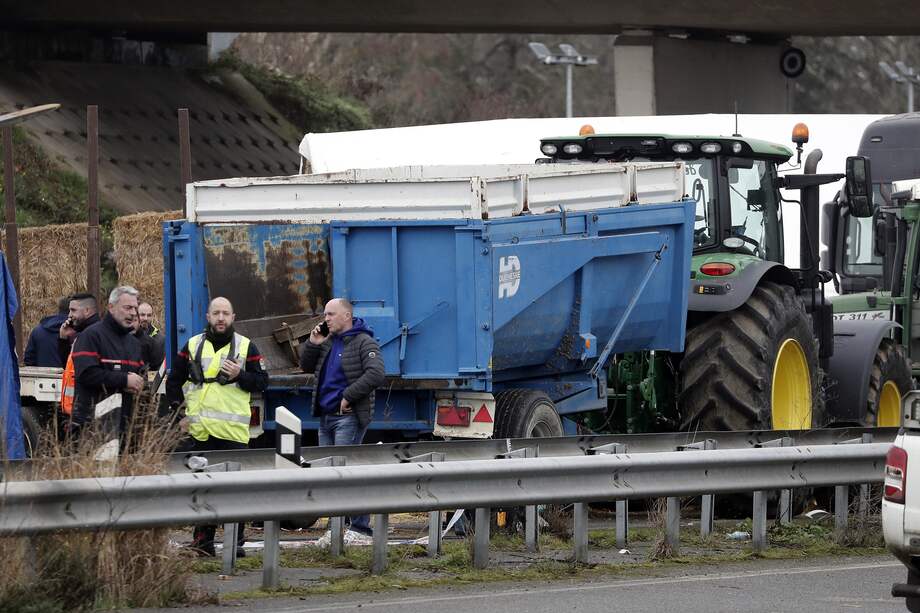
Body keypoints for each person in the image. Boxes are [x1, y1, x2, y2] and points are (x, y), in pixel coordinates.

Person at [165, 296, 268, 557]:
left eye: (225, 313)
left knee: (235, 491)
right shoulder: (192, 345)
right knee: (202, 488)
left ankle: (236, 543)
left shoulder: (246, 346)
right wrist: (179, 415)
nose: (221, 318)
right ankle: (203, 542)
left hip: (232, 433)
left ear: (233, 318)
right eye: (216, 313)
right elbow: (174, 381)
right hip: (201, 432)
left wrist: (239, 375)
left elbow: (262, 382)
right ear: (208, 317)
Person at [300, 297, 385, 536]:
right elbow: (306, 365)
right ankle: (337, 523)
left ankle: (358, 526)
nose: (325, 319)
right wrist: (313, 343)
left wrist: (348, 396)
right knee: (330, 473)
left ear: (346, 316)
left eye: (330, 314)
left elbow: (376, 373)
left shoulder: (363, 342)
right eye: (325, 314)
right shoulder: (327, 342)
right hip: (326, 417)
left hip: (347, 417)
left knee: (346, 471)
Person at [70, 286, 145, 437]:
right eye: (128, 307)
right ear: (111, 307)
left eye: (135, 308)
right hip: (91, 427)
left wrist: (139, 383)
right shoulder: (91, 336)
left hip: (123, 426)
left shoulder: (134, 343)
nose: (132, 313)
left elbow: (140, 374)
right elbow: (86, 374)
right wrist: (124, 380)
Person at [59, 293, 102, 417]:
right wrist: (63, 339)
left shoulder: (93, 335)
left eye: (73, 310)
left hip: (88, 413)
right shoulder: (82, 334)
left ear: (87, 311)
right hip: (78, 411)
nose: (69, 315)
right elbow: (69, 367)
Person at [23, 297, 69, 367]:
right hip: (69, 376)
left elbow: (29, 360)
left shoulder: (38, 330)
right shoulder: (79, 331)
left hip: (43, 376)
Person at [134, 301, 165, 369]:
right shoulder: (128, 336)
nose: (145, 318)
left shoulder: (160, 339)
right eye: (142, 315)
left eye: (149, 315)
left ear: (152, 316)